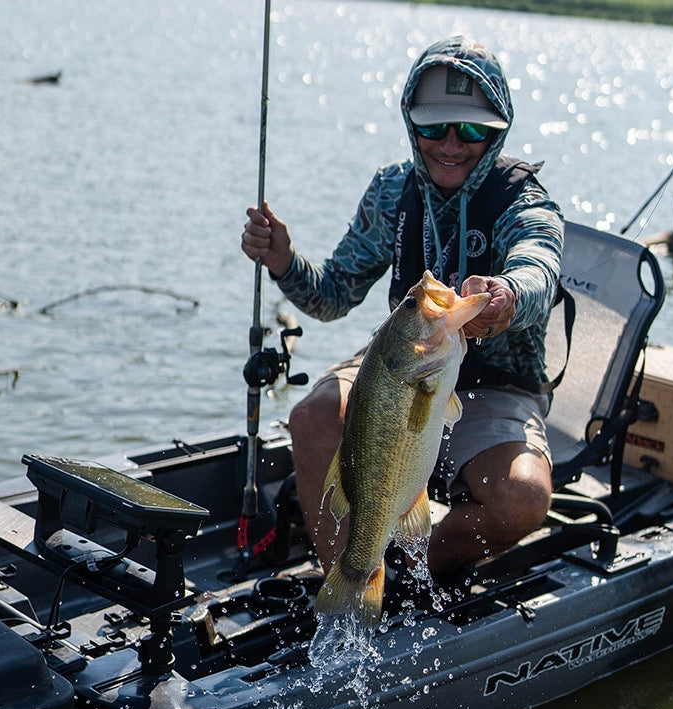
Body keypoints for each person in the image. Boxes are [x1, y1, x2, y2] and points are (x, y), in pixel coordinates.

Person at [241, 36, 564, 584]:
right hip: (400, 363)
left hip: (495, 385)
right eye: (434, 127)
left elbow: (540, 267)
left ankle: (403, 569)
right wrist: (283, 260)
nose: (451, 143)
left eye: (471, 130)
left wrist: (507, 297)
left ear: (498, 130)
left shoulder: (525, 200)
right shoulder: (393, 191)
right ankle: (344, 580)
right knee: (312, 415)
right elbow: (332, 294)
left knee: (524, 497)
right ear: (411, 126)